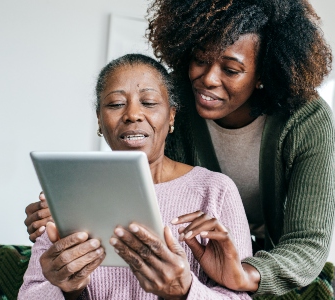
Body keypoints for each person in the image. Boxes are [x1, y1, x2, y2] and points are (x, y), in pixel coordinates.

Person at [24, 0, 335, 297]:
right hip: (201, 255)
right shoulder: (176, 105)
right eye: (200, 60)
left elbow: (307, 242)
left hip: (267, 258)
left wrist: (244, 274)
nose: (208, 79)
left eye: (231, 70)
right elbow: (154, 190)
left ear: (263, 75)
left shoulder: (306, 120)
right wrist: (68, 210)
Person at [19, 53, 253, 300]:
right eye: (116, 104)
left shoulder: (215, 190)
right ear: (99, 119)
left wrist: (183, 292)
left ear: (171, 115)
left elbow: (240, 297)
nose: (133, 114)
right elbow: (28, 295)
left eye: (149, 102)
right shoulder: (67, 192)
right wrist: (69, 290)